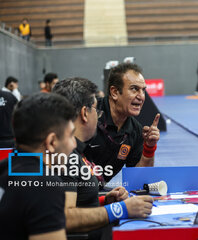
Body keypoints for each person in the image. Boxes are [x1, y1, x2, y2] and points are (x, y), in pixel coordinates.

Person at [53, 77, 153, 239]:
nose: (98, 116)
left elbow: (75, 202)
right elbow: (63, 218)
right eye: (96, 111)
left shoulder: (74, 152)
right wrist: (120, 209)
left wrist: (103, 201)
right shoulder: (64, 157)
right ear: (85, 113)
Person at [0, 92, 77, 240]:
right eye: (71, 135)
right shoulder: (45, 186)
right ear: (52, 142)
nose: (74, 144)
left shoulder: (5, 168)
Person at [84, 63, 160, 182]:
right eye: (134, 89)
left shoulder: (136, 131)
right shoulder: (87, 114)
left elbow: (138, 180)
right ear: (114, 92)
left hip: (97, 195)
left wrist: (149, 148)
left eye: (143, 90)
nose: (141, 96)